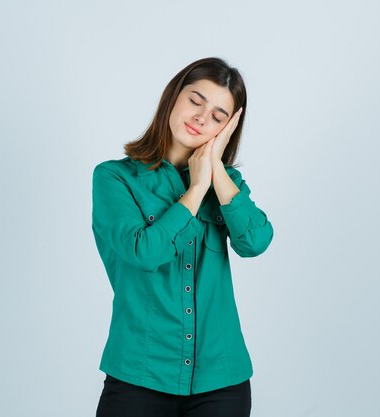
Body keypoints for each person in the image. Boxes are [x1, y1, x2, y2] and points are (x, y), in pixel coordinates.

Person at [92, 56, 274, 417]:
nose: (202, 118)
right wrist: (195, 190)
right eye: (195, 100)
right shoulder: (115, 178)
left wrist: (216, 170)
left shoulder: (227, 187)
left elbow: (255, 241)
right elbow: (143, 252)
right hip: (138, 375)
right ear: (173, 96)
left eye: (219, 116)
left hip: (221, 381)